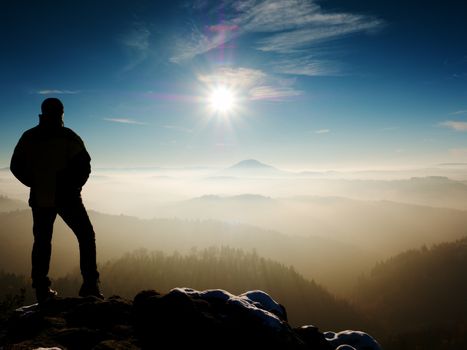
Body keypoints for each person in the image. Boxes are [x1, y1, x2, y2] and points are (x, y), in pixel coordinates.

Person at [10, 98, 103, 303]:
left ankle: (42, 289)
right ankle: (90, 285)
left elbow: (15, 165)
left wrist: (33, 182)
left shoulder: (29, 136)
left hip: (40, 197)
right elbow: (84, 166)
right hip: (67, 197)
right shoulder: (68, 136)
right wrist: (74, 187)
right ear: (61, 113)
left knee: (42, 242)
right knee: (86, 235)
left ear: (42, 112)